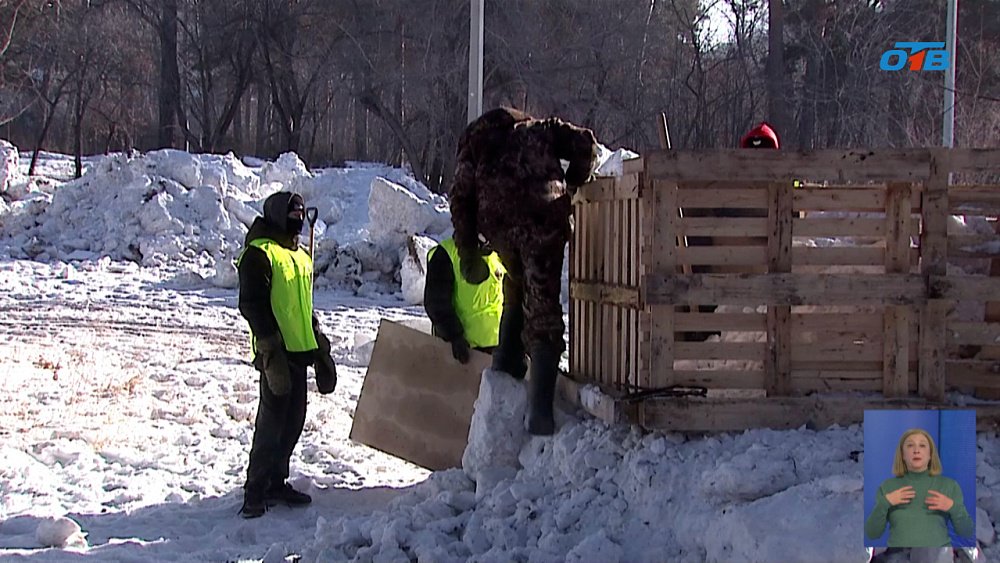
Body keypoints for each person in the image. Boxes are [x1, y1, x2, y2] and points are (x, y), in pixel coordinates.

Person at [449, 107, 598, 435]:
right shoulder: (541, 129)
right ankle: (539, 413)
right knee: (542, 302)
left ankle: (508, 360)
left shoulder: (476, 140)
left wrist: (469, 252)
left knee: (516, 283)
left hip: (499, 223)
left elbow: (461, 198)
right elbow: (586, 144)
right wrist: (573, 183)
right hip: (544, 217)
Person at [236, 191, 338, 518]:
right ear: (278, 215)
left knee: (293, 423)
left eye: (300, 214)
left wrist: (319, 344)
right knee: (270, 424)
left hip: (299, 352)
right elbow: (252, 305)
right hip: (276, 356)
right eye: (292, 214)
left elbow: (303, 307)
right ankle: (255, 489)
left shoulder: (300, 256)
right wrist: (270, 350)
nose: (297, 220)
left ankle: (276, 481)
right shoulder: (259, 253)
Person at [864, 428, 974, 547]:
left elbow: (966, 532)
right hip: (898, 557)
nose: (916, 450)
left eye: (922, 445)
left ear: (930, 454)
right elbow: (872, 534)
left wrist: (952, 507)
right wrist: (885, 503)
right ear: (902, 455)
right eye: (910, 446)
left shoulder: (949, 486)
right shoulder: (887, 487)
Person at [423, 236, 505, 364]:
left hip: (498, 352)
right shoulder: (446, 253)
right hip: (461, 353)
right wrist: (453, 336)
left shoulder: (499, 252)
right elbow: (436, 303)